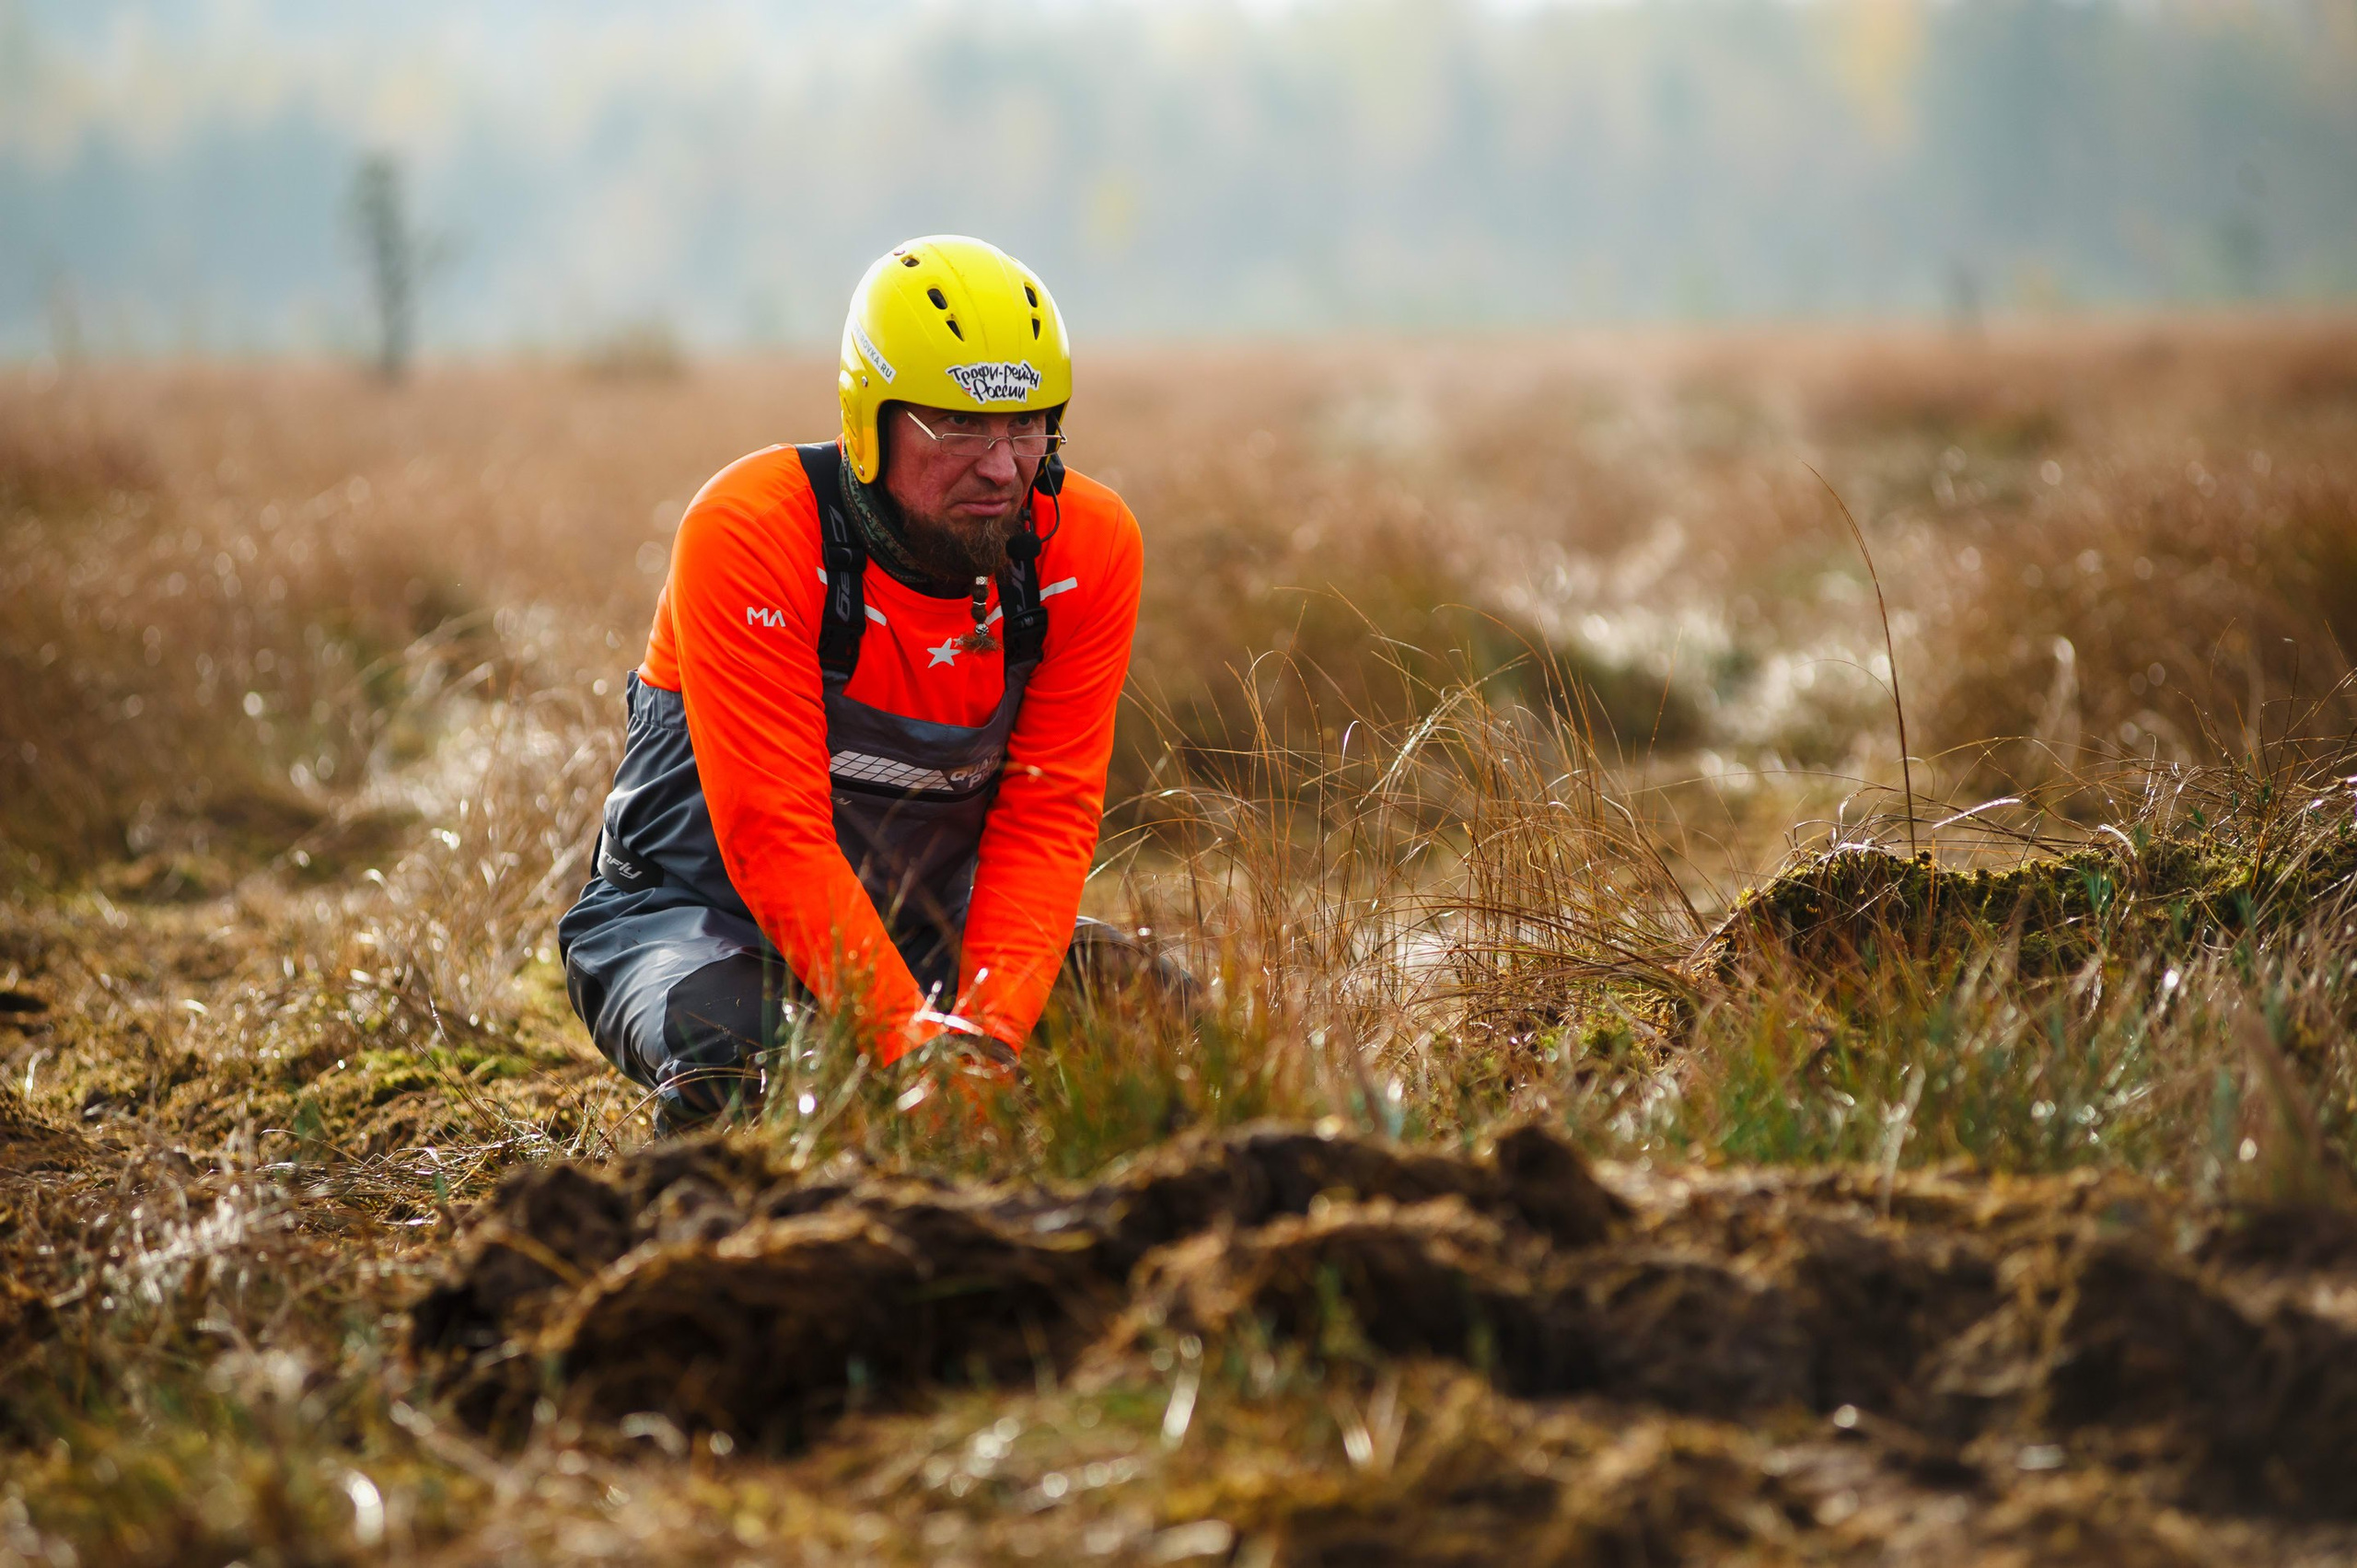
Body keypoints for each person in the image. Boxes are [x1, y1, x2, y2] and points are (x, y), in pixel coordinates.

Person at [559, 236, 1170, 1131]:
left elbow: (1045, 815)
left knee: (1153, 1027)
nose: (1001, 467)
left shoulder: (1091, 548)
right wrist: (912, 1048)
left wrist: (987, 1043)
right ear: (867, 418)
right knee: (753, 1058)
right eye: (958, 424)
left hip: (920, 936)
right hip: (694, 924)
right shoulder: (750, 531)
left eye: (1027, 424)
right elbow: (775, 833)